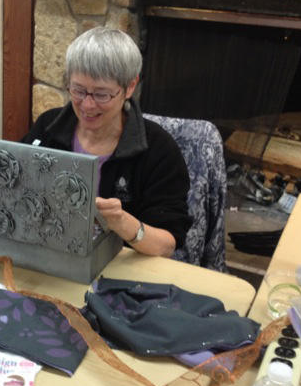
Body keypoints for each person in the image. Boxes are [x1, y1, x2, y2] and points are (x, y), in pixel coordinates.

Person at [21, 27, 192, 258]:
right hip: (52, 254)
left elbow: (167, 244)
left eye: (102, 94)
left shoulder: (159, 150)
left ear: (130, 87)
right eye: (78, 90)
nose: (87, 105)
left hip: (120, 267)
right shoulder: (48, 127)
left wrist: (122, 223)